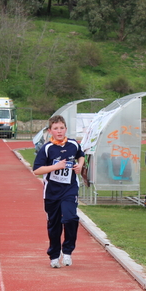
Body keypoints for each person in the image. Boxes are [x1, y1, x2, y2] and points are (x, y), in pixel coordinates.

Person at [32, 114, 85, 269]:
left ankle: (67, 251)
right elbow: (37, 170)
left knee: (70, 218)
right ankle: (54, 255)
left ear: (66, 129)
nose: (59, 131)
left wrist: (80, 166)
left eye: (62, 128)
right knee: (54, 225)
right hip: (52, 192)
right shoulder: (47, 148)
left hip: (69, 189)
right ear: (50, 131)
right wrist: (56, 167)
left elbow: (81, 156)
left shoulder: (73, 144)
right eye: (56, 128)